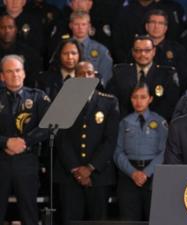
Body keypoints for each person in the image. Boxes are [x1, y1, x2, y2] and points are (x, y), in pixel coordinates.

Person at [54, 61, 119, 225]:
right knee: (70, 219)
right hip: (70, 175)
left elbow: (110, 140)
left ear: (95, 76)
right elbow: (62, 140)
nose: (86, 77)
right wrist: (76, 169)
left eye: (89, 73)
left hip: (99, 174)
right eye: (81, 73)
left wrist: (90, 168)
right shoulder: (65, 100)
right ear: (75, 77)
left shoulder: (109, 102)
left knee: (98, 220)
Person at [0, 54, 51, 225]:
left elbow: (49, 125)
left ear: (24, 73)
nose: (15, 75)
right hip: (1, 161)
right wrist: (6, 142)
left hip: (27, 161)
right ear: (2, 76)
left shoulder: (37, 97)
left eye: (18, 70)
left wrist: (25, 142)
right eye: (9, 71)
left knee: (29, 212)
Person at [114, 82, 167, 221]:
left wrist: (146, 173)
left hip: (152, 173)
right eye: (135, 97)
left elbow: (164, 152)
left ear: (150, 99)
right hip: (128, 174)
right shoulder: (124, 122)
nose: (138, 101)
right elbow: (118, 152)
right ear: (130, 99)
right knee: (129, 217)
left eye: (143, 97)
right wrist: (133, 173)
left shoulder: (160, 122)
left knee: (153, 217)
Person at [108, 35, 180, 121]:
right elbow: (113, 101)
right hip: (124, 124)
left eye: (147, 50)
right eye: (138, 50)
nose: (142, 54)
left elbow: (170, 105)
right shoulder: (120, 72)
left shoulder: (167, 74)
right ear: (133, 52)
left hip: (157, 126)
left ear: (154, 51)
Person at [145, 9, 187, 92]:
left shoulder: (178, 50)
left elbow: (184, 77)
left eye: (160, 23)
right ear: (146, 26)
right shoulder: (138, 48)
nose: (156, 26)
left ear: (166, 28)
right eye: (153, 22)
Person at [68, 11, 113, 86]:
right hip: (68, 90)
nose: (80, 28)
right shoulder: (62, 49)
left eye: (83, 24)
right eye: (76, 24)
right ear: (70, 25)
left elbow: (105, 77)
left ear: (89, 26)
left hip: (94, 91)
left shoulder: (101, 50)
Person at [0, 14, 42, 88]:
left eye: (10, 27)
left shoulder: (29, 53)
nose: (7, 31)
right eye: (2, 27)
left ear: (16, 29)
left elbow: (34, 80)